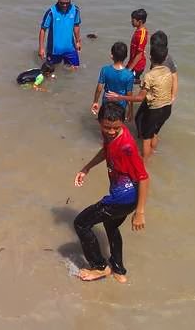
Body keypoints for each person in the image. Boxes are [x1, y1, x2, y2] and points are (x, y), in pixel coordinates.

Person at [72, 102, 149, 283]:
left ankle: (100, 267)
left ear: (123, 122)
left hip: (122, 199)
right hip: (125, 198)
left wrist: (140, 212)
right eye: (107, 127)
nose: (111, 131)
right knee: (111, 226)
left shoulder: (127, 147)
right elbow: (106, 150)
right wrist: (87, 168)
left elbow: (144, 178)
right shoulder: (110, 135)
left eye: (116, 128)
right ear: (100, 122)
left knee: (81, 223)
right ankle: (119, 270)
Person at [107, 44, 173, 163]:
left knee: (146, 138)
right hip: (167, 108)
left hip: (155, 110)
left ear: (150, 57)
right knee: (154, 133)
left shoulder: (149, 76)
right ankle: (153, 153)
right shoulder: (167, 70)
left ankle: (144, 162)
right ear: (164, 58)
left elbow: (139, 98)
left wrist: (119, 97)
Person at [38, 0, 82, 69]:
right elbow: (43, 29)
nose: (64, 5)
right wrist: (41, 48)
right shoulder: (51, 12)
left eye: (67, 3)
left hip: (70, 49)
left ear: (71, 0)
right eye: (62, 3)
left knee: (75, 69)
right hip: (54, 51)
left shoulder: (75, 10)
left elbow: (76, 26)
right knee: (50, 72)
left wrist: (78, 41)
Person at [91, 42, 135, 121]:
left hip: (107, 103)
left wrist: (95, 101)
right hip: (121, 105)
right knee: (118, 124)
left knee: (105, 122)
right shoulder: (129, 75)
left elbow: (99, 88)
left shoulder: (105, 70)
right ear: (126, 56)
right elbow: (129, 94)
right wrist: (130, 111)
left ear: (112, 56)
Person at [149, 30, 178, 104]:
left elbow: (174, 77)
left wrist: (173, 97)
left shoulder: (167, 60)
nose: (151, 48)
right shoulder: (156, 57)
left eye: (152, 46)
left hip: (161, 96)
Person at [126, 8, 148, 83]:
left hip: (137, 66)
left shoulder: (142, 34)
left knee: (128, 81)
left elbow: (139, 54)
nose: (131, 22)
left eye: (133, 20)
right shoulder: (138, 30)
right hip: (132, 62)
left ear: (140, 22)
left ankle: (138, 82)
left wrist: (130, 69)